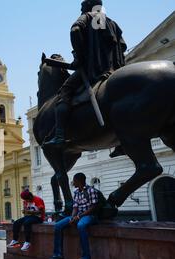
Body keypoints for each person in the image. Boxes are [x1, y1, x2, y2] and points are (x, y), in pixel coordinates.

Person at [44, 0, 127, 148]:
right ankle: (122, 143)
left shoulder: (88, 17)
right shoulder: (112, 22)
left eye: (82, 6)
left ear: (89, 6)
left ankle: (59, 135)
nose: (81, 9)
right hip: (116, 69)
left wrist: (80, 58)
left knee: (65, 92)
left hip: (93, 70)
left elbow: (75, 30)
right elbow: (123, 45)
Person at [49, 173, 99, 259]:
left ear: (79, 180)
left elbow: (93, 207)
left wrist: (79, 216)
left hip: (89, 215)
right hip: (78, 215)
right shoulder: (76, 192)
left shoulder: (91, 190)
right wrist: (72, 217)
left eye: (74, 180)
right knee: (57, 226)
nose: (73, 182)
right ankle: (58, 254)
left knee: (81, 225)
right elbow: (75, 207)